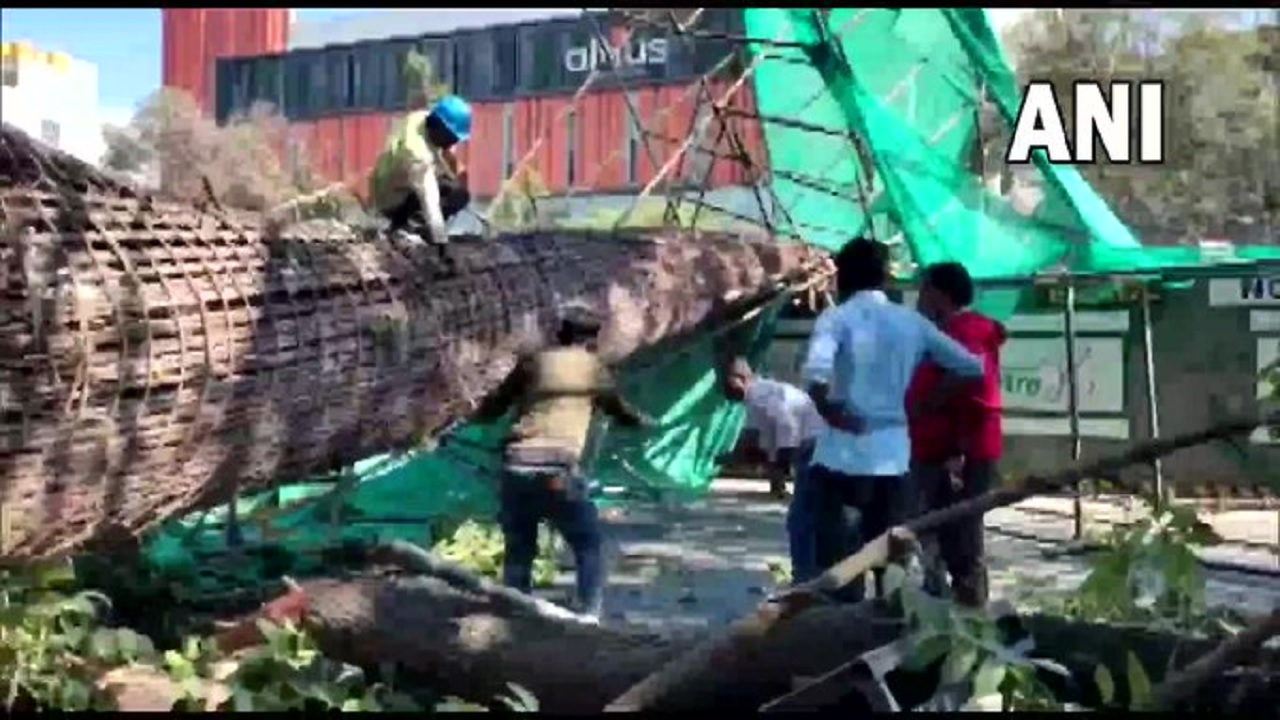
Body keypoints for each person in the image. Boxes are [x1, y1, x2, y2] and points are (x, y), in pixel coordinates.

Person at [801, 238, 985, 601]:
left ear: (843, 276)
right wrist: (926, 404)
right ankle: (889, 626)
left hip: (840, 457)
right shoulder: (911, 323)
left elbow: (816, 376)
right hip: (893, 456)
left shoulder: (836, 318)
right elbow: (970, 367)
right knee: (891, 567)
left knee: (840, 564)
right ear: (884, 277)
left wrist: (832, 412)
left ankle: (844, 626)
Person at [472, 301, 654, 621]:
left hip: (516, 465)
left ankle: (514, 614)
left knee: (520, 547)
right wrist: (644, 422)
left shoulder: (532, 363)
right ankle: (588, 615)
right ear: (593, 339)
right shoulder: (594, 368)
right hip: (558, 468)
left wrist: (470, 412)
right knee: (588, 544)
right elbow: (620, 411)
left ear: (559, 334)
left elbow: (492, 409)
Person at [907, 261, 1007, 607]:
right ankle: (944, 603)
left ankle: (972, 610)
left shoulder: (967, 329)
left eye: (923, 289)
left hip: (961, 450)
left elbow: (969, 375)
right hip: (941, 449)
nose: (919, 298)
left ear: (939, 293)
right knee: (937, 530)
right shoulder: (950, 330)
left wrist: (927, 406)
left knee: (962, 535)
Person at [723, 357, 826, 583]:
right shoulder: (756, 397)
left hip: (811, 439)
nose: (726, 388)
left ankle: (807, 573)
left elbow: (785, 425)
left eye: (729, 381)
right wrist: (773, 464)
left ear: (742, 378)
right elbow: (770, 433)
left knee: (804, 513)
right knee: (805, 510)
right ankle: (807, 569)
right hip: (806, 438)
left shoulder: (762, 394)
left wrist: (781, 459)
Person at [369, 94, 474, 242]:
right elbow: (430, 201)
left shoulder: (421, 118)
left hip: (391, 183)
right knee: (457, 195)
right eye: (452, 138)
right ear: (442, 130)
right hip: (391, 200)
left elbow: (446, 153)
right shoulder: (417, 155)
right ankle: (409, 227)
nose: (453, 143)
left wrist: (458, 170)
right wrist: (440, 240)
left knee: (453, 188)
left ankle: (410, 225)